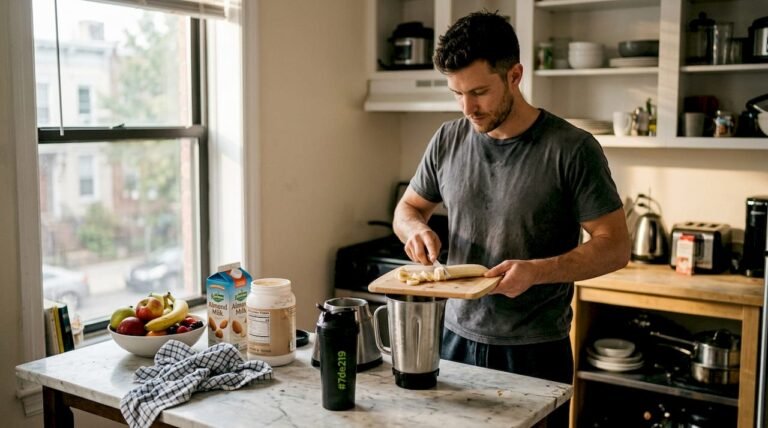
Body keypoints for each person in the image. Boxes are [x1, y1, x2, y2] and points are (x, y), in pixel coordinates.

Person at [392, 11, 631, 427]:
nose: (468, 108)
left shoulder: (572, 149)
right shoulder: (447, 139)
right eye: (456, 93)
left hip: (535, 350)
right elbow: (407, 208)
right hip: (454, 342)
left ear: (515, 75)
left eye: (479, 92)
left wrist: (539, 271)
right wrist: (415, 230)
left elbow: (615, 246)